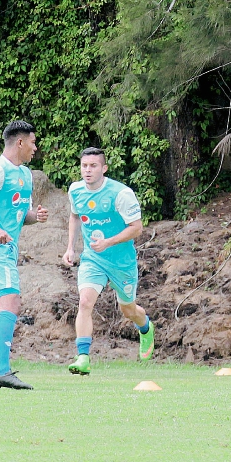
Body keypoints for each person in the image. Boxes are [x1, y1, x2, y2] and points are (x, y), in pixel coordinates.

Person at [62, 148, 154, 374]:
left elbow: (137, 228)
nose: (88, 170)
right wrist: (70, 248)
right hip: (93, 259)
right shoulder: (75, 190)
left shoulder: (121, 194)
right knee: (85, 302)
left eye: (93, 166)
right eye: (84, 166)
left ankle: (145, 328)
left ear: (104, 168)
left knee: (128, 310)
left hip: (121, 263)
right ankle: (83, 357)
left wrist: (109, 242)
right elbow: (75, 216)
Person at [0, 121, 47, 390]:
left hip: (9, 248)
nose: (35, 147)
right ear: (19, 143)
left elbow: (20, 214)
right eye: (32, 142)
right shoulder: (0, 169)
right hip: (0, 249)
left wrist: (35, 217)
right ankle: (2, 370)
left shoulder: (27, 175)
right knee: (10, 300)